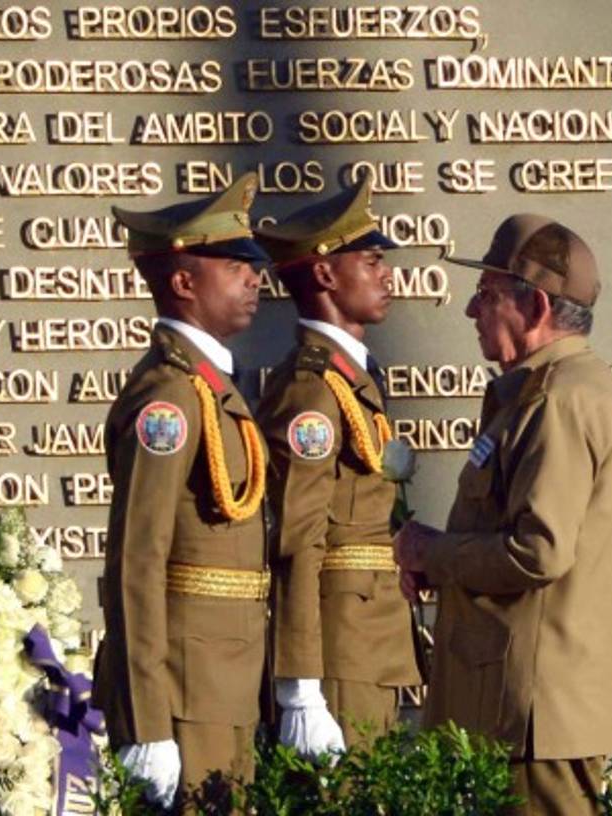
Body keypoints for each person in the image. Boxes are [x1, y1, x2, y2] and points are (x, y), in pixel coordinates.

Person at [394, 214, 612, 815]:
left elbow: (539, 551)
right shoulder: (545, 392)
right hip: (518, 714)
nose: (470, 313)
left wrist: (434, 553)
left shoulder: (559, 401)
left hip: (534, 723)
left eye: (486, 295)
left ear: (533, 306)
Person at [94, 173, 270, 809]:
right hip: (183, 693)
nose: (255, 278)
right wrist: (148, 724)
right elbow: (137, 560)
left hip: (223, 683)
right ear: (184, 281)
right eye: (234, 264)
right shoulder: (170, 397)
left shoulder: (211, 384)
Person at [252, 177, 421, 754]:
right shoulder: (312, 389)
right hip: (338, 650)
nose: (385, 274)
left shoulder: (351, 377)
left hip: (372, 640)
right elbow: (299, 538)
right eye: (371, 260)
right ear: (324, 274)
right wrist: (301, 686)